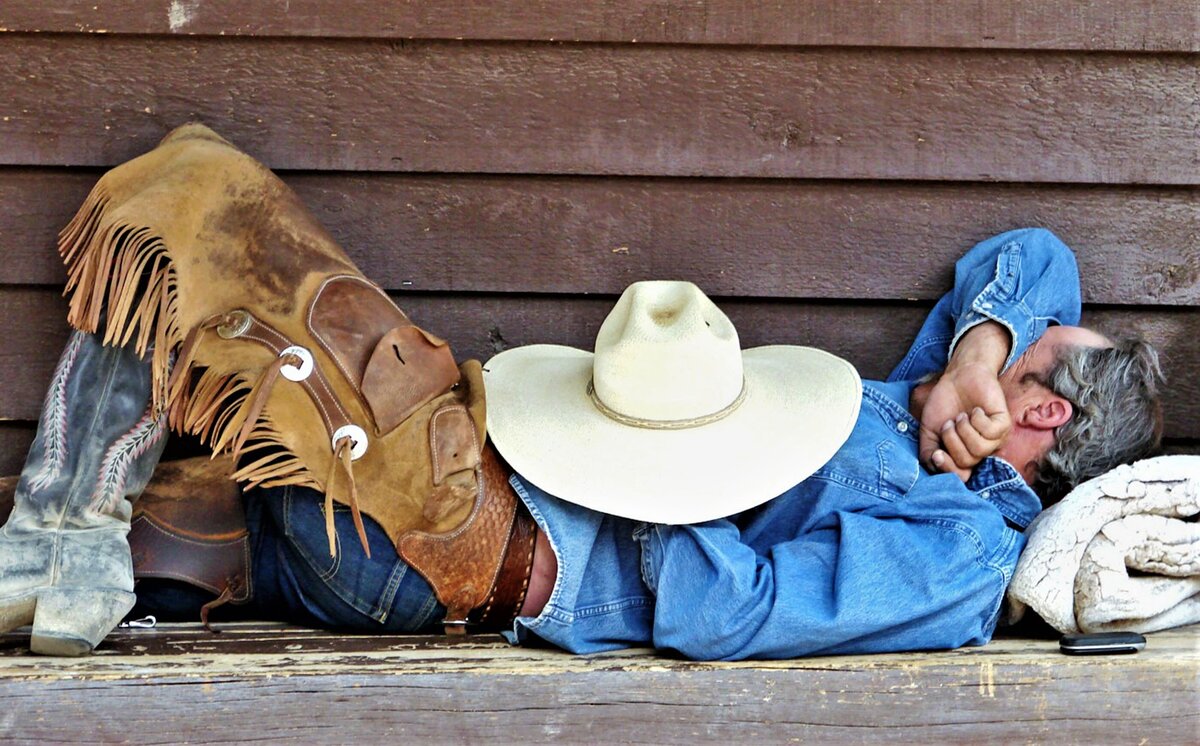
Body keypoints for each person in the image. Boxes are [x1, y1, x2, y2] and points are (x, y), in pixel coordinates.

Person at [0, 125, 1164, 658]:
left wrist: (674, 466)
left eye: (1025, 353)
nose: (990, 350)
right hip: (471, 453)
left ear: (1047, 411)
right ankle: (64, 537)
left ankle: (61, 530)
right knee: (216, 257)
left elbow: (736, 609)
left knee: (218, 212)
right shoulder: (935, 401)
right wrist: (981, 349)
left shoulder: (958, 551)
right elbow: (1039, 247)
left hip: (469, 533)